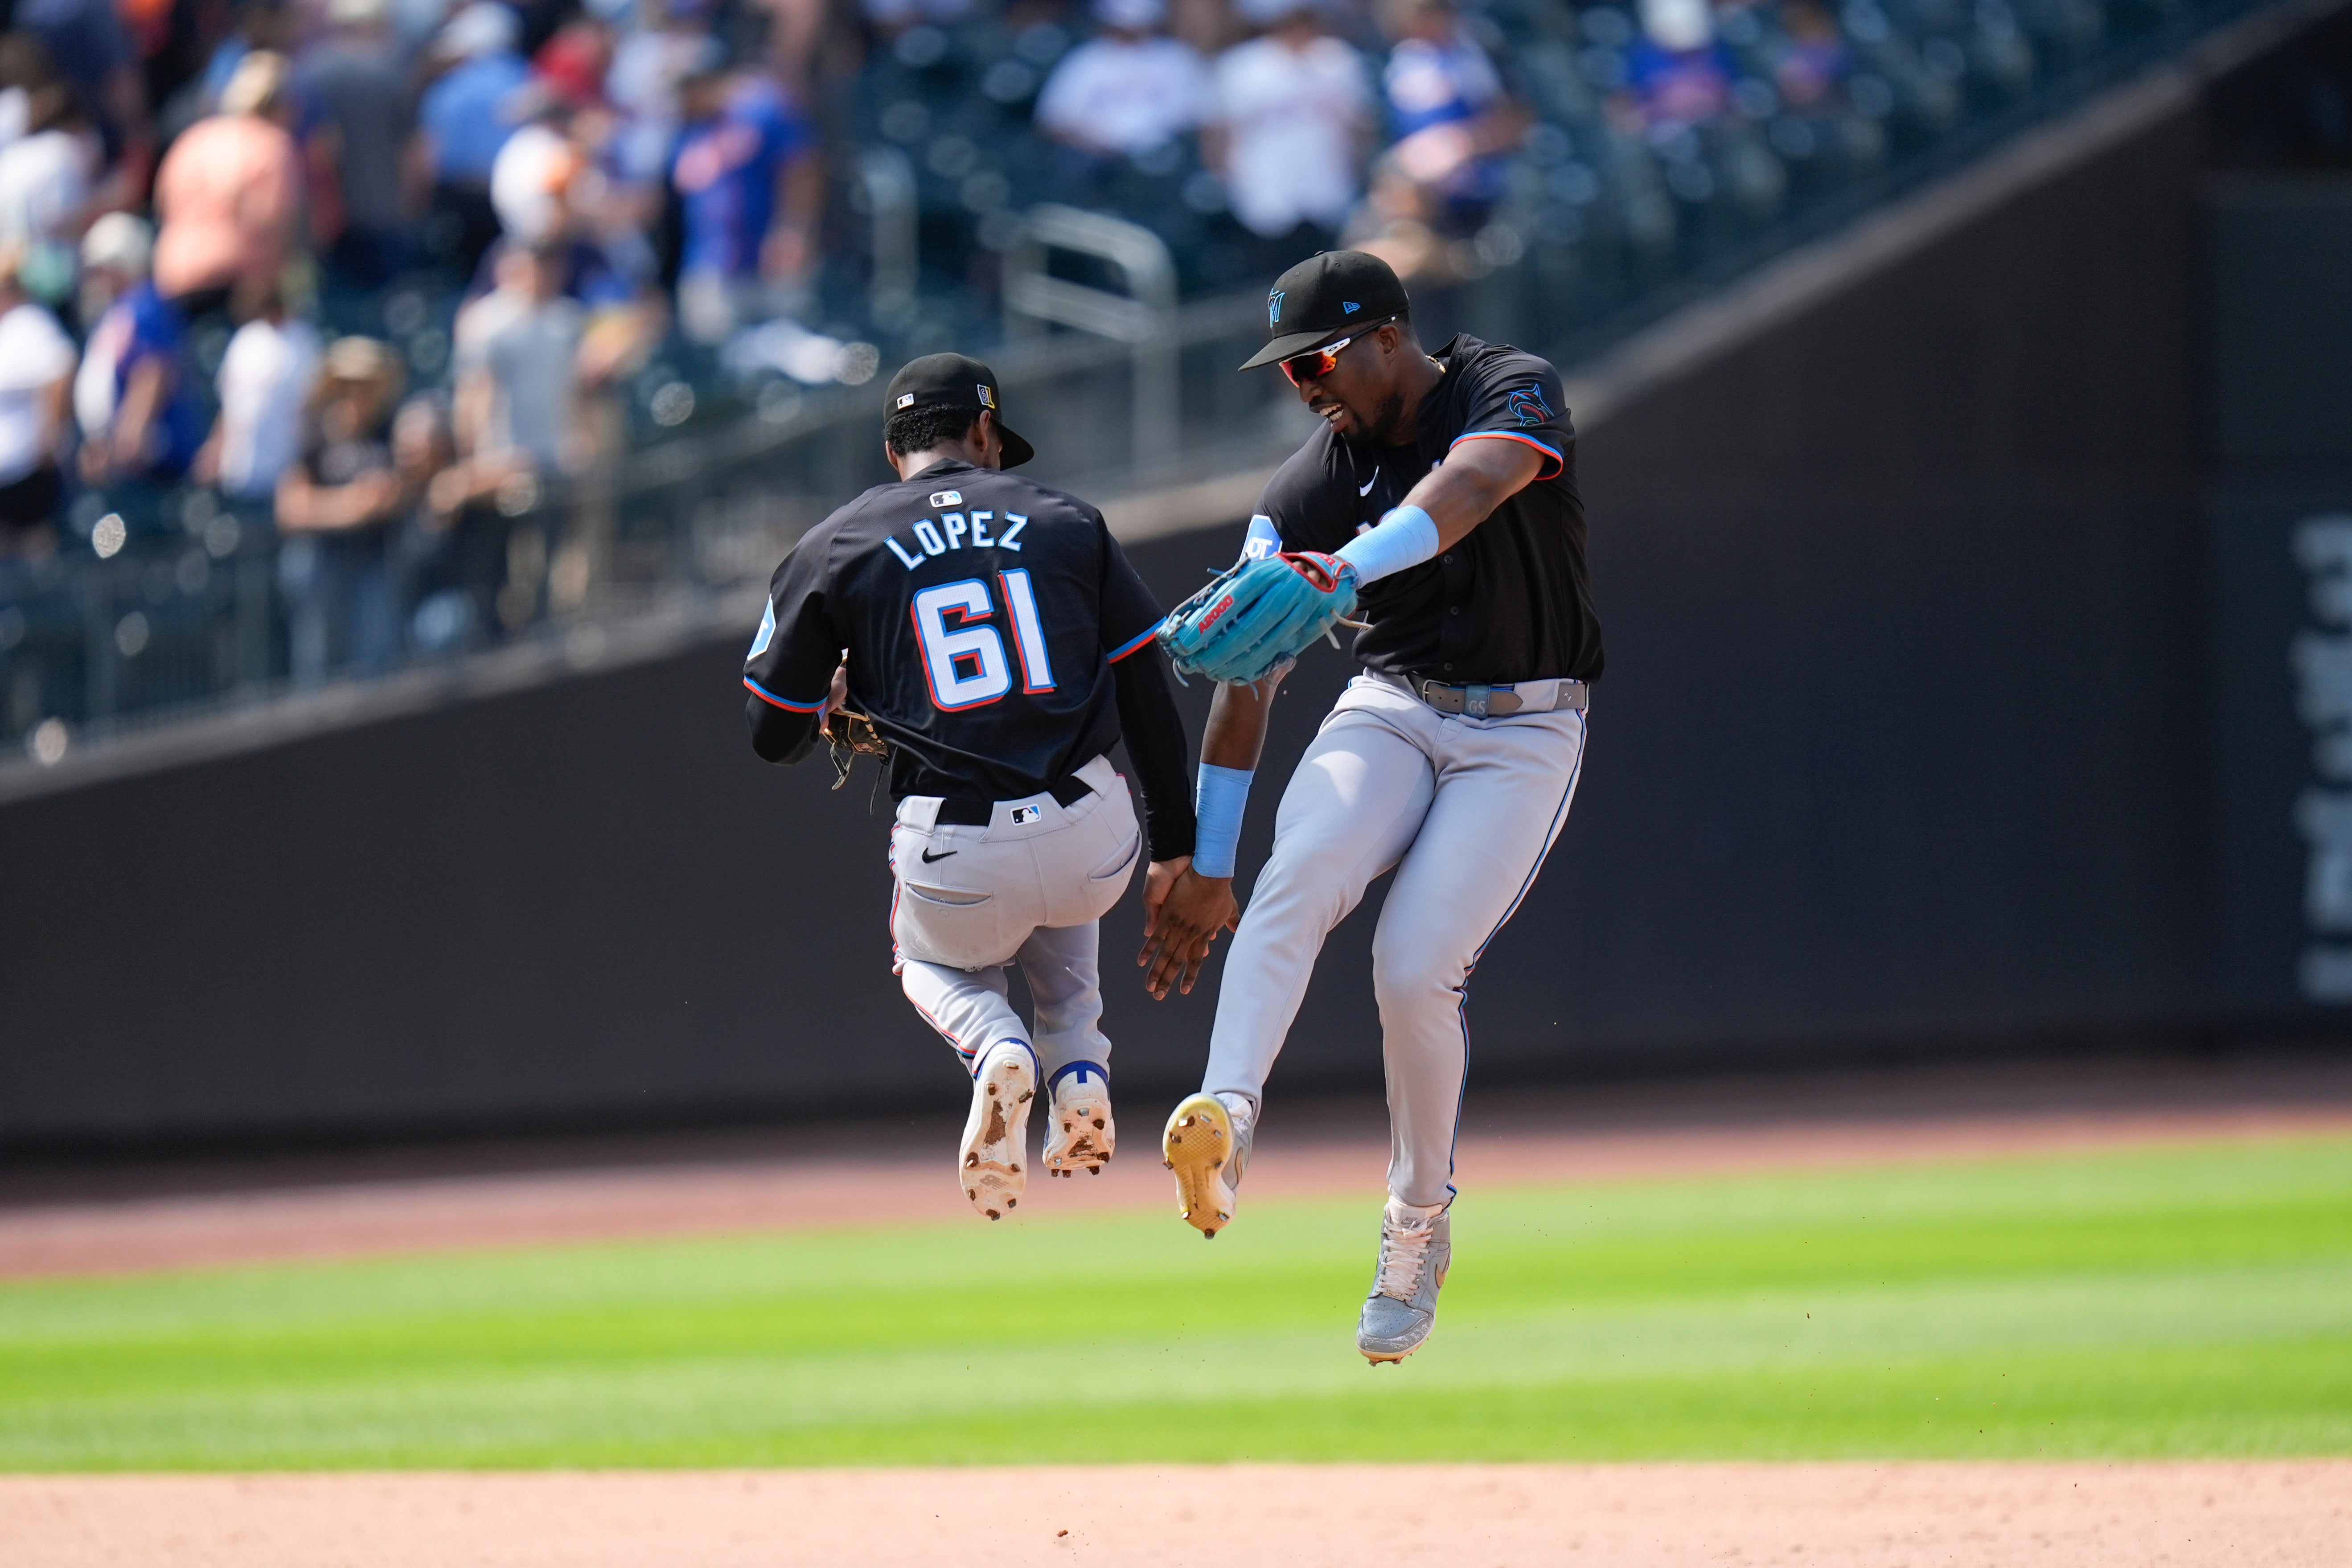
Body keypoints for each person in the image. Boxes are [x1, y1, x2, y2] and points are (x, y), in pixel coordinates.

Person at [1145, 250, 1600, 1362]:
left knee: (1410, 967)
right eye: (1285, 369)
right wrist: (1206, 860)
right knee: (1294, 873)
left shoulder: (1503, 382)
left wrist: (1340, 571)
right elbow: (1244, 674)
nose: (1301, 384)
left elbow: (1476, 481)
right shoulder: (1300, 489)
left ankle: (1415, 1226)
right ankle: (1227, 1116)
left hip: (1523, 726)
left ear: (1383, 335)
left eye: (1313, 358)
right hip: (1392, 705)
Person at [742, 353, 1198, 1219]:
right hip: (1092, 833)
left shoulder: (834, 543)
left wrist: (831, 705)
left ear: (891, 451)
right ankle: (1078, 1069)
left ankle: (995, 1047)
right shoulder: (1068, 519)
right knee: (1060, 902)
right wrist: (1178, 844)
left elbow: (774, 734)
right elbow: (1146, 687)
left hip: (954, 852)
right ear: (984, 433)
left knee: (925, 957)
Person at [274, 335, 410, 681]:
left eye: (367, 385)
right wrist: (350, 507)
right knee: (318, 664)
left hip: (372, 562)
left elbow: (397, 493)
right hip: (322, 561)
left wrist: (375, 501)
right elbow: (291, 508)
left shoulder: (388, 434)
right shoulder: (316, 437)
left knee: (375, 665)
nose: (358, 394)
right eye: (350, 385)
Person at [1205, 0, 1370, 270]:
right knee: (1274, 284)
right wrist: (1229, 181)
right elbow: (1219, 133)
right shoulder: (1241, 66)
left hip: (1326, 191)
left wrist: (1355, 170)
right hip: (1266, 195)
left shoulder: (1339, 60)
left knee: (1330, 280)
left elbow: (1360, 127)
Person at [669, 62, 820, 344]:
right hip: (710, 262)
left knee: (785, 348)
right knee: (716, 355)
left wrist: (793, 230)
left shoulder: (764, 113)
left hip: (769, 257)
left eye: (692, 87)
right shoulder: (692, 132)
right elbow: (684, 181)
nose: (686, 97)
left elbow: (801, 171)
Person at [149, 47, 302, 320]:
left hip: (174, 278)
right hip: (236, 283)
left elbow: (163, 205)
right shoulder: (271, 144)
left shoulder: (192, 140)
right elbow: (271, 220)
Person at [73, 212, 207, 489]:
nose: (96, 279)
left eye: (102, 269)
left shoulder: (147, 306)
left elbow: (153, 370)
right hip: (117, 458)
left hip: (154, 462)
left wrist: (131, 435)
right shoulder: (115, 312)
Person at [300, 0, 425, 290]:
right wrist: (412, 204)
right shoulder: (392, 74)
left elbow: (314, 148)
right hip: (384, 213)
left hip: (327, 216)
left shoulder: (311, 71)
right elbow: (413, 151)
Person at [194, 273, 321, 509]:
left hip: (280, 477)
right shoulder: (246, 339)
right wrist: (215, 448)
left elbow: (311, 412)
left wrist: (303, 469)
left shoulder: (305, 343)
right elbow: (230, 405)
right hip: (236, 474)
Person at [1034, 0, 1209, 163]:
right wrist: (1094, 145)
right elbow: (1054, 121)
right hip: (1097, 161)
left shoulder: (1176, 57)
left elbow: (1197, 117)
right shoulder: (1086, 59)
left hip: (1164, 157)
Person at [0, 241, 77, 556]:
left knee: (36, 549)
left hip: (29, 471)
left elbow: (59, 374)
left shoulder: (32, 322)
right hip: (7, 474)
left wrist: (49, 443)